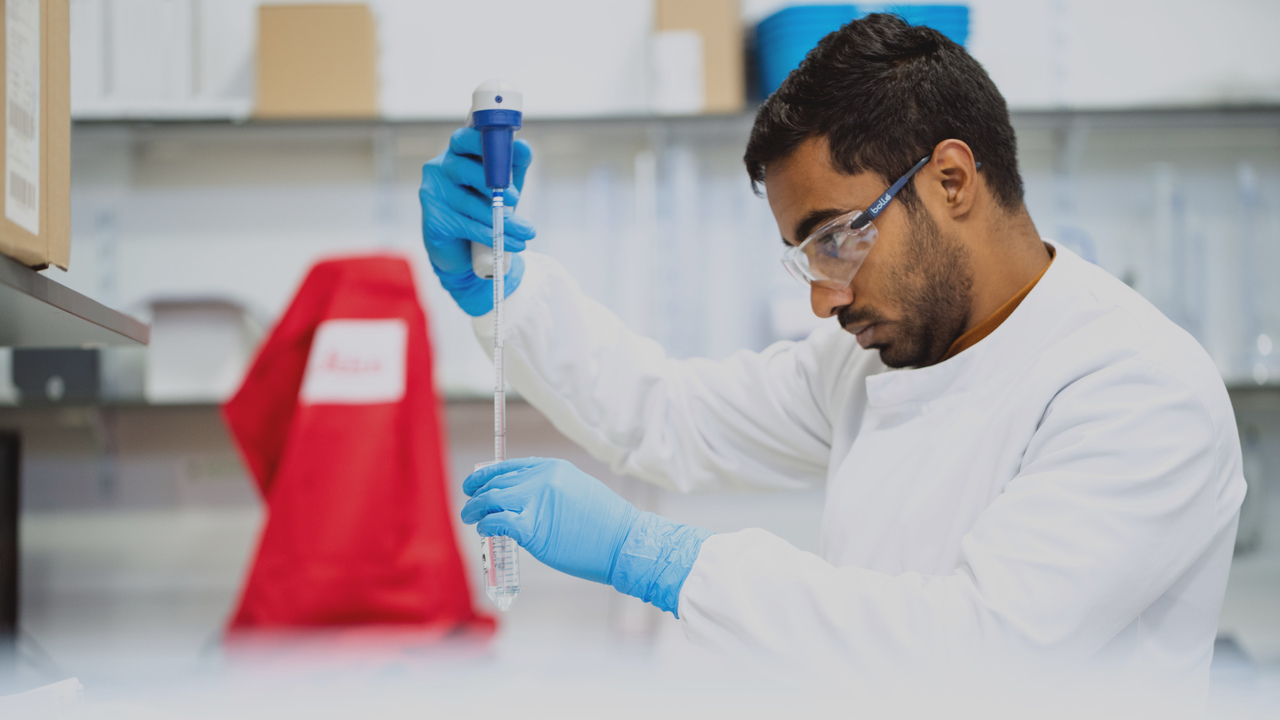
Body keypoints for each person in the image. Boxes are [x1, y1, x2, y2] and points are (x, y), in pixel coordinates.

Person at [419, 13, 1244, 702]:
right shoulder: (875, 361)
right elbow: (669, 415)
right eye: (806, 254)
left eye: (837, 239)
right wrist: (503, 287)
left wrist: (658, 558)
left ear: (952, 180)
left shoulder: (1136, 387)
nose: (824, 297)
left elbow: (976, 655)